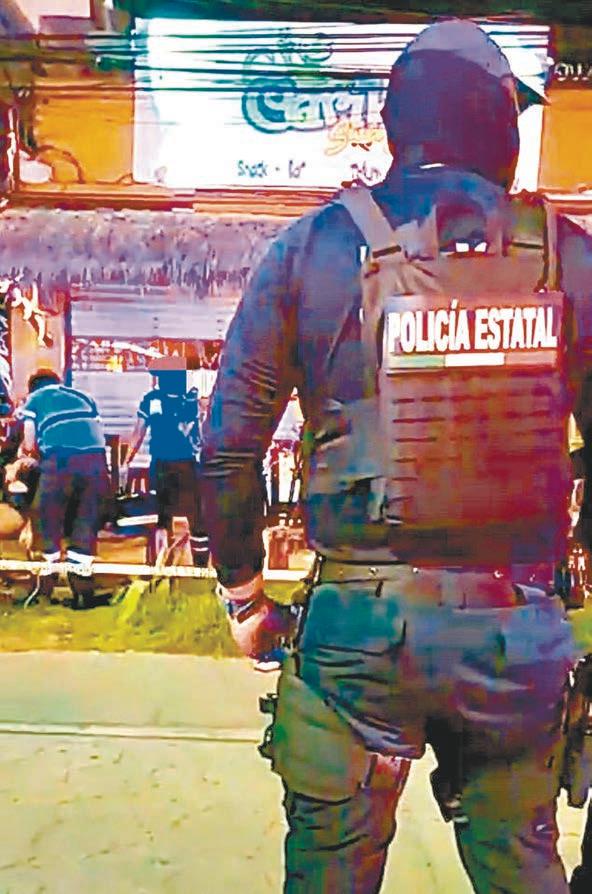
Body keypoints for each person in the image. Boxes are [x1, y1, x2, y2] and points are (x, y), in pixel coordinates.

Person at [201, 20, 585, 894]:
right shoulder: (568, 255)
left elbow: (228, 446)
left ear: (395, 125)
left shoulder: (312, 249)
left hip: (357, 632)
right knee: (521, 865)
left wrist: (244, 596)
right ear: (503, 126)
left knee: (330, 875)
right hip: (516, 630)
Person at [18, 368, 109, 608]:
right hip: (96, 464)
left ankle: (44, 588)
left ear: (33, 388)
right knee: (85, 522)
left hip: (60, 462)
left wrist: (26, 457)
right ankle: (83, 593)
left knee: (45, 517)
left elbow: (29, 443)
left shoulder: (35, 399)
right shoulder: (84, 397)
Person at [122, 357, 209, 567]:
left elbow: (138, 432)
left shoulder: (154, 400)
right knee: (193, 516)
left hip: (164, 464)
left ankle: (162, 565)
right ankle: (198, 566)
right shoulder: (192, 400)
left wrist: (126, 462)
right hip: (185, 465)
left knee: (165, 515)